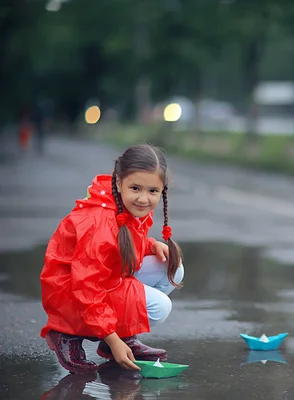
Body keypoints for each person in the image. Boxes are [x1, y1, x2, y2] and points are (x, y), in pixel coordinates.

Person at [39, 143, 185, 374]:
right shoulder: (100, 222)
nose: (144, 199)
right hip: (71, 295)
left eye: (153, 191)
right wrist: (113, 337)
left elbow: (120, 246)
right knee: (159, 307)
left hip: (97, 282)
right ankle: (67, 333)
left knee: (172, 268)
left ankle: (115, 338)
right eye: (135, 188)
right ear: (119, 182)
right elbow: (87, 287)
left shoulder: (125, 205)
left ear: (162, 190)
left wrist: (150, 245)